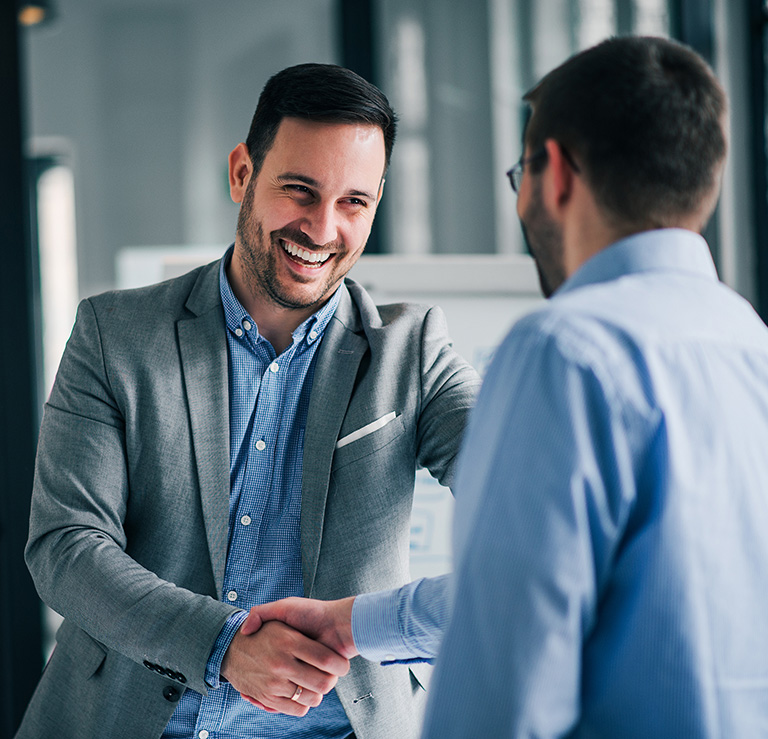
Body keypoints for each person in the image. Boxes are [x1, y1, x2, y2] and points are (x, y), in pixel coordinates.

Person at [244, 36, 768, 737]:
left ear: (552, 175)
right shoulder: (750, 344)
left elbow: (506, 662)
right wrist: (351, 622)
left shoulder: (565, 350)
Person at [17, 63, 480, 739]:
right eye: (300, 190)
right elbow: (66, 547)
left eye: (354, 202)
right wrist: (224, 644)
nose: (323, 228)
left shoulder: (412, 352)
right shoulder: (114, 335)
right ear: (242, 174)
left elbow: (529, 504)